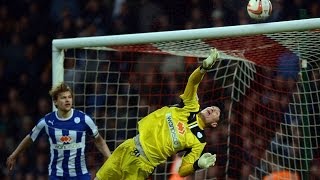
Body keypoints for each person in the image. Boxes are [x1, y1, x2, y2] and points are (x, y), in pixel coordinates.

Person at [95, 48, 221, 180]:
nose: (212, 109)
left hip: (143, 164)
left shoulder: (198, 142)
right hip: (129, 146)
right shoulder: (191, 106)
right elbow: (193, 82)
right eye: (212, 107)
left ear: (214, 124)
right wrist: (203, 68)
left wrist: (197, 165)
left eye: (216, 112)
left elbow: (182, 171)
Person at [6, 82, 112, 179]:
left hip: (80, 174)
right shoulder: (47, 121)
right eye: (63, 98)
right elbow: (30, 138)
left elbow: (99, 141)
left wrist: (111, 159)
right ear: (55, 101)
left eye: (69, 97)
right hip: (57, 175)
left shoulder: (84, 119)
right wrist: (14, 155)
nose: (67, 100)